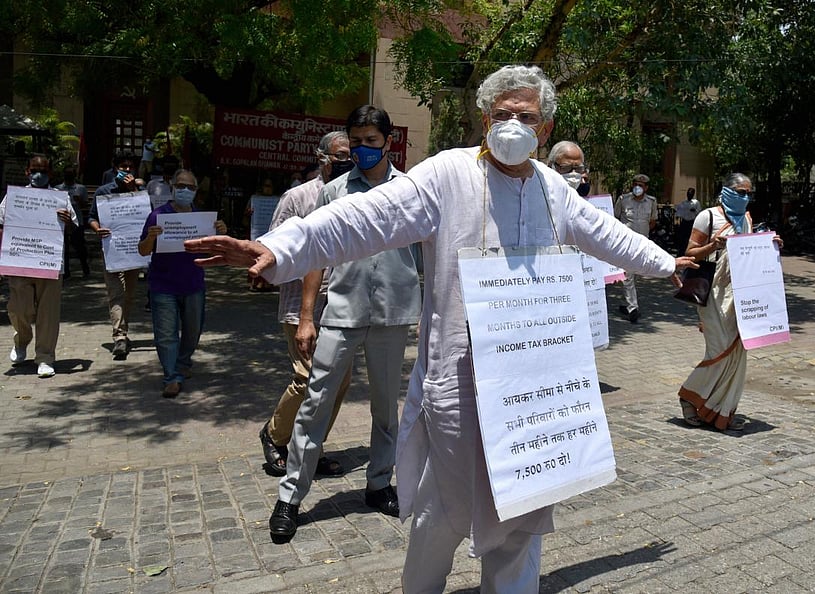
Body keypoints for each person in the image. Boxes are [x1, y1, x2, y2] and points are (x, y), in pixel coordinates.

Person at [185, 65, 695, 593]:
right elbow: (364, 218)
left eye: (527, 117)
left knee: (525, 509)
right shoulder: (449, 173)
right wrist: (279, 249)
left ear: (543, 131)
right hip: (460, 383)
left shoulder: (552, 190)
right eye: (504, 115)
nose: (514, 125)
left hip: (533, 387)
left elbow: (606, 234)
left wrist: (668, 263)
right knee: (443, 512)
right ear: (484, 119)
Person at [282, 105, 421, 519]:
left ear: (388, 142)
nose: (362, 149)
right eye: (355, 142)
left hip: (393, 315)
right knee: (315, 403)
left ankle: (379, 484)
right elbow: (314, 255)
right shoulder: (333, 191)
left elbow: (427, 253)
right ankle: (290, 497)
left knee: (385, 408)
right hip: (341, 312)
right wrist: (307, 317)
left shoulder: (411, 190)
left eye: (370, 142)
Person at [258, 130, 356, 477]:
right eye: (341, 154)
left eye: (351, 153)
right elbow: (274, 247)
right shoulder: (297, 197)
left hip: (344, 303)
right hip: (301, 306)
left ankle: (310, 448)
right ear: (322, 157)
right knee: (308, 377)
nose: (348, 160)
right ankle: (274, 435)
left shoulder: (356, 196)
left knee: (339, 380)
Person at [677, 173, 781, 431]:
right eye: (740, 191)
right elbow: (690, 253)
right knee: (719, 351)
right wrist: (713, 245)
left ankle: (722, 411)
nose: (745, 197)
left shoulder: (746, 218)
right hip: (713, 292)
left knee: (737, 351)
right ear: (726, 190)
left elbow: (749, 251)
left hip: (740, 294)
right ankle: (689, 395)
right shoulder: (708, 216)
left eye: (748, 193)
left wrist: (771, 245)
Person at [137, 169, 227, 397]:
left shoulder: (202, 220)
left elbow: (215, 250)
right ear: (172, 187)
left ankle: (183, 363)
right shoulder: (158, 216)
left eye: (190, 187)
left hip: (193, 283)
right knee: (166, 333)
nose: (185, 190)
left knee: (192, 331)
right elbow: (142, 250)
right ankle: (171, 377)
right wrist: (151, 237)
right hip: (163, 285)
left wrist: (222, 233)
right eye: (181, 186)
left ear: (196, 191)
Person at [1, 156, 78, 378]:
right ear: (27, 171)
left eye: (43, 171)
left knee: (48, 313)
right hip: (19, 261)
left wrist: (67, 221)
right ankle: (22, 340)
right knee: (18, 308)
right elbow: (1, 223)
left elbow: (74, 228)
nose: (38, 174)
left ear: (51, 174)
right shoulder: (15, 197)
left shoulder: (60, 199)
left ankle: (45, 358)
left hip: (50, 263)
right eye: (34, 170)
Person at [90, 152, 145, 360]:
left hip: (132, 250)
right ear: (115, 168)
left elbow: (146, 215)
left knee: (129, 294)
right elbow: (92, 218)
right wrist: (97, 229)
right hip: (111, 249)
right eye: (123, 166)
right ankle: (119, 337)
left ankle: (123, 329)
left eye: (131, 167)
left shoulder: (139, 191)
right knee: (116, 293)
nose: (127, 170)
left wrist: (133, 190)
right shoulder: (104, 191)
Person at [614, 173, 658, 323]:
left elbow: (652, 221)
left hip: (643, 245)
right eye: (635, 184)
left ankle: (626, 303)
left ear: (646, 188)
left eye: (641, 185)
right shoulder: (623, 200)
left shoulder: (651, 202)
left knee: (634, 275)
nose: (637, 187)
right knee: (628, 275)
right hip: (626, 244)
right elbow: (615, 218)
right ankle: (633, 308)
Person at [55, 166, 91, 279]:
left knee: (80, 247)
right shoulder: (57, 189)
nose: (69, 177)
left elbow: (86, 205)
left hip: (77, 222)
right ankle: (65, 272)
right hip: (61, 223)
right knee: (63, 248)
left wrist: (79, 201)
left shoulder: (81, 188)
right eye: (67, 175)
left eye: (71, 175)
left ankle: (85, 268)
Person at [674, 187, 700, 257]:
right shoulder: (683, 203)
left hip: (692, 222)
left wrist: (694, 210)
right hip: (684, 222)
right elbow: (679, 212)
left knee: (690, 238)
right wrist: (677, 218)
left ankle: (689, 252)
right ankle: (681, 252)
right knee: (682, 238)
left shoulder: (696, 202)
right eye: (688, 193)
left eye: (691, 194)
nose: (689, 195)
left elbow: (699, 212)